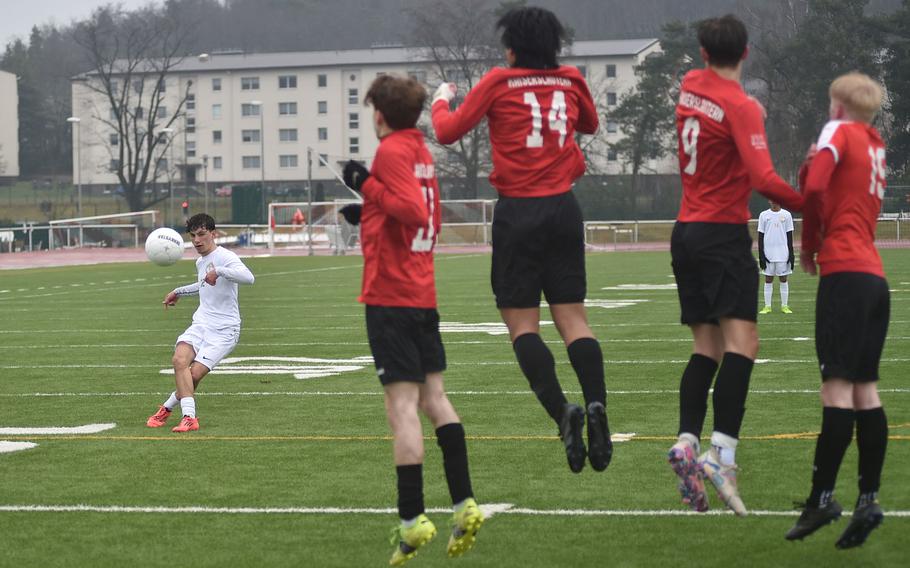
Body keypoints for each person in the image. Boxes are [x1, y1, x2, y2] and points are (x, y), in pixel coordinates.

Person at [431, 6, 611, 475]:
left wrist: (441, 97)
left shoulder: (497, 81)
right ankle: (596, 405)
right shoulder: (571, 80)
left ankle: (563, 414)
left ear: (511, 48)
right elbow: (589, 125)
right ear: (554, 47)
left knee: (523, 327)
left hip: (518, 211)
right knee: (574, 320)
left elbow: (447, 132)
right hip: (563, 208)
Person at [339, 74, 483, 566]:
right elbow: (428, 216)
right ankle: (464, 502)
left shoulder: (392, 152)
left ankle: (411, 517)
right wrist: (369, 216)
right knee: (435, 399)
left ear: (380, 113)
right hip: (421, 291)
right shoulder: (422, 151)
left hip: (391, 296)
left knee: (401, 407)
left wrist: (365, 185)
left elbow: (410, 211)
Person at [667, 14, 803, 516]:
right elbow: (764, 177)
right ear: (746, 54)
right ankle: (721, 453)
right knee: (744, 343)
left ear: (703, 54)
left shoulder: (689, 86)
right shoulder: (740, 105)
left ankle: (686, 439)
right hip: (722, 235)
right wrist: (813, 197)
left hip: (685, 232)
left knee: (707, 346)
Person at [785, 72, 889, 549]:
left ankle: (821, 497)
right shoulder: (875, 142)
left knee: (836, 390)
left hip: (844, 273)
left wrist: (807, 245)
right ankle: (868, 497)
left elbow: (815, 191)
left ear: (839, 105)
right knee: (866, 391)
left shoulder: (837, 130)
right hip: (874, 276)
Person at [145, 214, 255, 433]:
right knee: (179, 361)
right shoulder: (200, 261)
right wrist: (178, 292)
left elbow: (248, 277)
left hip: (225, 330)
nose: (196, 240)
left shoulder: (225, 257)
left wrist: (220, 271)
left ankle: (167, 408)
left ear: (213, 234)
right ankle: (189, 418)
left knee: (192, 375)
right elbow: (203, 284)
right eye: (193, 235)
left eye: (202, 234)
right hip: (201, 323)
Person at [757, 201, 795, 314]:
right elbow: (760, 235)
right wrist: (761, 254)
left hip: (783, 253)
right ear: (769, 201)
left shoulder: (787, 215)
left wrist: (791, 254)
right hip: (768, 253)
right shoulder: (763, 215)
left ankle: (785, 306)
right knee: (768, 279)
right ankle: (767, 306)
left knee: (783, 279)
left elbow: (789, 235)